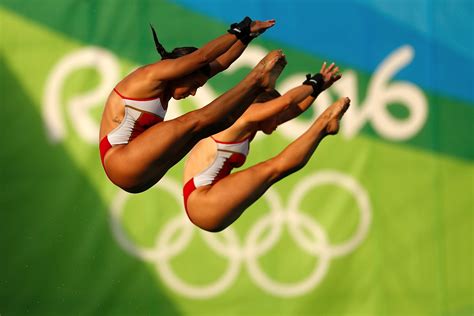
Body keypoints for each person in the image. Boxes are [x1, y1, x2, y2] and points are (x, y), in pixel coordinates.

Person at [99, 17, 281, 193]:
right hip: (120, 162)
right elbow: (201, 57)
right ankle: (256, 81)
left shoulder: (172, 83)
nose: (193, 93)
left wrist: (247, 36)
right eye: (194, 85)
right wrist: (238, 30)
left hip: (143, 177)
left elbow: (221, 64)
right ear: (183, 71)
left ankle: (255, 88)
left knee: (209, 127)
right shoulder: (150, 75)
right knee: (195, 120)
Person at [183, 62, 350, 232]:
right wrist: (316, 81)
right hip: (202, 201)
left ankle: (324, 126)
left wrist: (317, 90)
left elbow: (292, 109)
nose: (279, 120)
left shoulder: (251, 126)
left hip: (208, 201)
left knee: (274, 170)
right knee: (274, 168)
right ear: (264, 109)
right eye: (275, 115)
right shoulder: (245, 116)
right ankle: (324, 124)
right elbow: (287, 102)